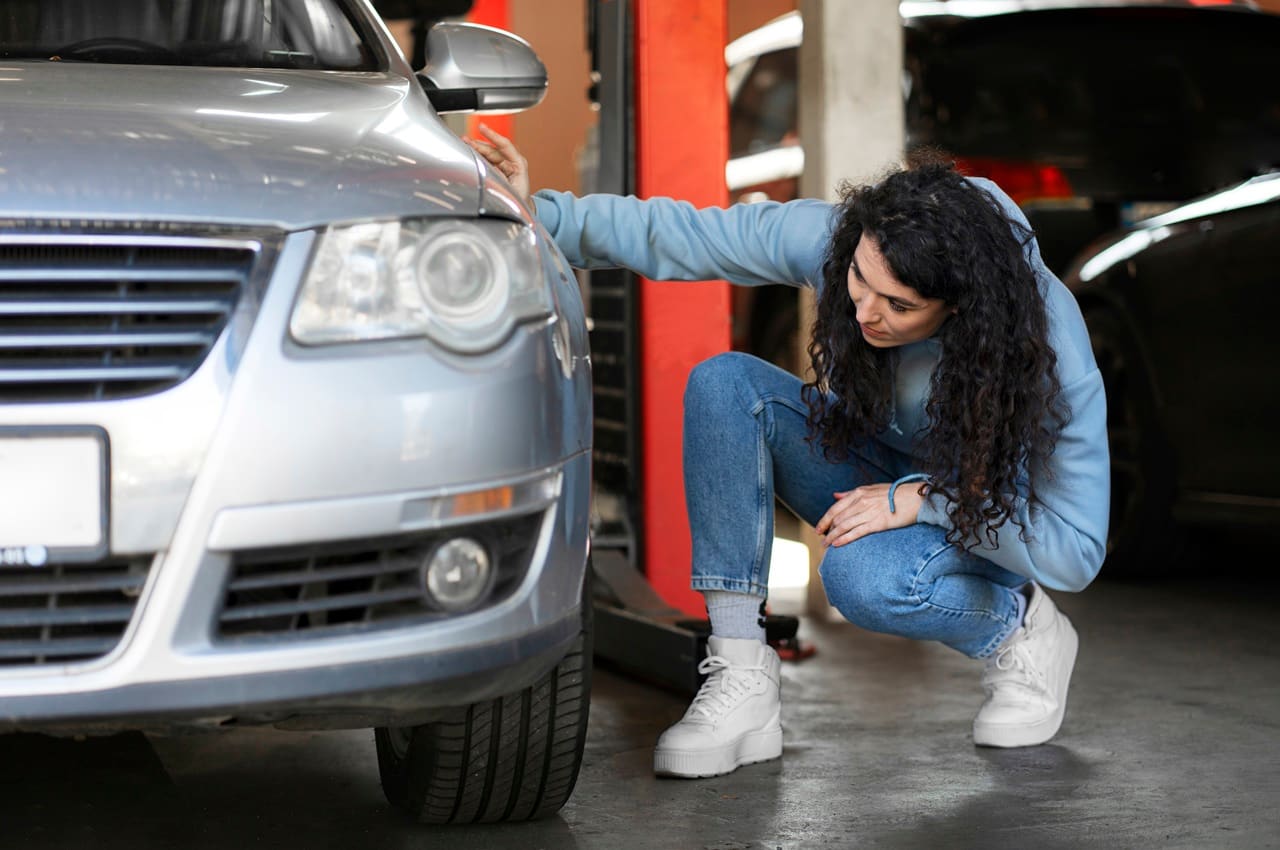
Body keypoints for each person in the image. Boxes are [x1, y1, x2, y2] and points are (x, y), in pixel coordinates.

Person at [468, 125, 1108, 779]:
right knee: (725, 385)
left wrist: (926, 500)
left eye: (900, 305)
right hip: (882, 469)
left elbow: (1076, 548)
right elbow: (690, 235)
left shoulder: (1047, 353)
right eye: (860, 281)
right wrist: (538, 212)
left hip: (983, 514)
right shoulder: (852, 244)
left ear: (962, 309)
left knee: (862, 578)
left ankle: (1021, 628)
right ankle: (741, 673)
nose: (865, 311)